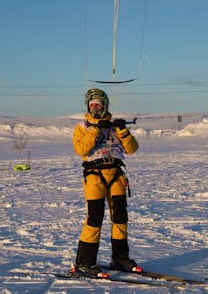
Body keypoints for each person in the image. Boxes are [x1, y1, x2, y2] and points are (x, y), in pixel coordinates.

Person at [72, 88, 140, 277]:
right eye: (91, 104)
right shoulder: (82, 127)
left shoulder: (115, 126)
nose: (94, 107)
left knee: (120, 217)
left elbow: (132, 148)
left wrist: (123, 130)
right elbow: (80, 148)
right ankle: (84, 262)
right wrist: (95, 129)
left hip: (116, 174)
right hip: (95, 176)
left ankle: (120, 258)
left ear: (105, 106)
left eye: (98, 104)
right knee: (94, 217)